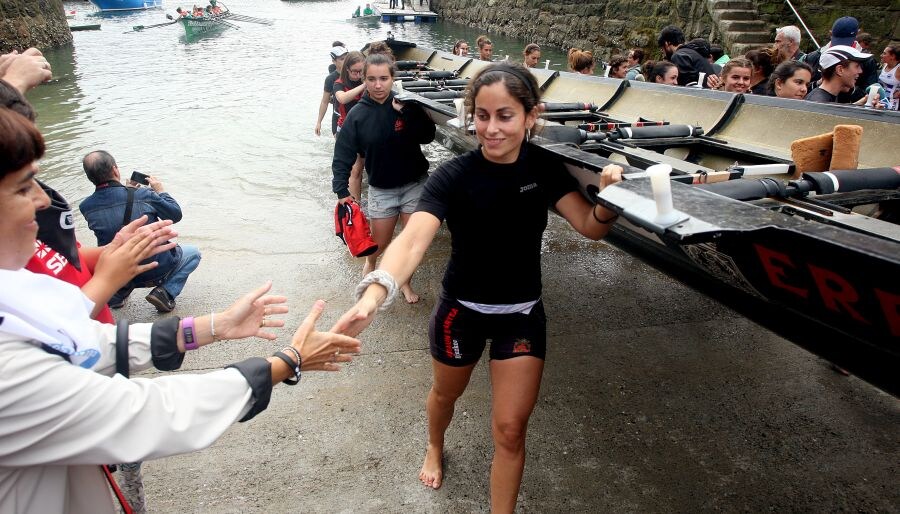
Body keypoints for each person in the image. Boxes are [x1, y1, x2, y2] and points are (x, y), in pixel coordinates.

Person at [0, 106, 362, 513]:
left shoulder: (13, 294)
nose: (44, 200)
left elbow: (90, 342)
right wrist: (288, 360)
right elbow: (152, 415)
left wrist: (214, 326)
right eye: (22, 187)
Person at [331, 61, 624, 513]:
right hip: (460, 312)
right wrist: (376, 292)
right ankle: (434, 444)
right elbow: (412, 238)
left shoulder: (544, 168)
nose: (490, 128)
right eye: (481, 116)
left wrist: (607, 202)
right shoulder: (454, 175)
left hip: (522, 314)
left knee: (510, 430)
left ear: (531, 116)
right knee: (446, 394)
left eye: (504, 115)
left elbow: (589, 226)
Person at [332, 53, 436, 304]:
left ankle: (404, 283)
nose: (378, 85)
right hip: (382, 188)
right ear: (364, 80)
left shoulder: (407, 105)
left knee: (409, 242)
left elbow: (428, 136)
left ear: (392, 79)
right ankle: (371, 263)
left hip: (414, 183)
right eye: (371, 79)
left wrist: (407, 113)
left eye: (383, 79)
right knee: (379, 243)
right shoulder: (357, 115)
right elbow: (343, 154)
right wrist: (340, 189)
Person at [79, 151, 201, 313]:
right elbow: (175, 214)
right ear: (115, 170)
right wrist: (160, 190)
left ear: (90, 177)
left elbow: (111, 219)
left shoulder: (86, 207)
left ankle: (116, 296)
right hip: (156, 268)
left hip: (117, 272)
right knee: (193, 253)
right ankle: (165, 292)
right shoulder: (144, 195)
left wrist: (129, 192)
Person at [802, 17, 879, 102]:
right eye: (856, 66)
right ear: (839, 69)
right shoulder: (814, 57)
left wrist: (863, 101)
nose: (860, 71)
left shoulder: (868, 61)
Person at [333, 51, 366, 201]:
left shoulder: (368, 81)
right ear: (347, 69)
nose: (358, 75)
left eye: (362, 71)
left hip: (365, 130)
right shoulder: (339, 83)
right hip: (347, 131)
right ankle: (356, 205)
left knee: (362, 169)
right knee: (355, 170)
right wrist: (365, 85)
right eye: (355, 72)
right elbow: (343, 98)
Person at [805, 45, 872, 104]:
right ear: (840, 70)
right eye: (857, 66)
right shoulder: (819, 103)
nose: (860, 71)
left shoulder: (823, 99)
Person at [315, 44, 348, 137]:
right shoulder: (330, 79)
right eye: (342, 59)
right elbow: (324, 102)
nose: (345, 61)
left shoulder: (355, 74)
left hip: (355, 115)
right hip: (338, 116)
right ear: (334, 61)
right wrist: (319, 122)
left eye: (346, 58)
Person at [877, 44, 899, 110]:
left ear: (892, 56)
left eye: (884, 54)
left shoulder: (898, 69)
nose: (881, 55)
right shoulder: (884, 65)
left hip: (893, 105)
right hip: (879, 101)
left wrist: (897, 94)